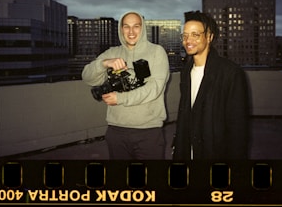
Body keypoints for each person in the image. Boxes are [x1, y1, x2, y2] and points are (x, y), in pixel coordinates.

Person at [82, 11, 170, 160]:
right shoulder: (112, 52)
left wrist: (121, 98)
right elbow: (87, 77)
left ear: (142, 28)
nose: (131, 32)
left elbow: (154, 88)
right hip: (116, 131)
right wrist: (105, 63)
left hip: (148, 131)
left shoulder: (156, 52)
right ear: (120, 29)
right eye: (126, 26)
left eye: (136, 26)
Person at [172, 11, 250, 161]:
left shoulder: (230, 73)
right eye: (185, 35)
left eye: (195, 35)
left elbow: (238, 129)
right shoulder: (186, 72)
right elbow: (185, 116)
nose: (188, 40)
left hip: (214, 153)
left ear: (209, 37)